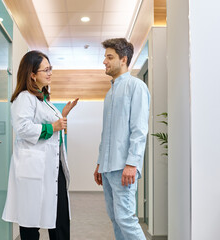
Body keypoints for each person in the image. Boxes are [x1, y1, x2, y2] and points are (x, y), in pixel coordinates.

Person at [2, 50, 78, 240]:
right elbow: (23, 128)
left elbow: (50, 125)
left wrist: (63, 115)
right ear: (32, 74)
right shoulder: (24, 98)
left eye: (50, 68)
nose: (50, 73)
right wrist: (54, 126)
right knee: (30, 222)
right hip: (34, 169)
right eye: (46, 69)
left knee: (60, 217)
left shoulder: (43, 100)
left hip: (52, 166)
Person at [93, 38, 150, 240]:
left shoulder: (136, 87)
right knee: (116, 219)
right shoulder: (110, 93)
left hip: (123, 167)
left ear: (123, 59)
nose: (105, 62)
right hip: (108, 168)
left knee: (126, 219)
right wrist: (100, 162)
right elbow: (106, 133)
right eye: (105, 57)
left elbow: (139, 130)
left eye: (110, 57)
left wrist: (132, 164)